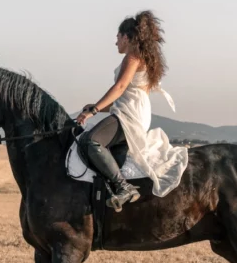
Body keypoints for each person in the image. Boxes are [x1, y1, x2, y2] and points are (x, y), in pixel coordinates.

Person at [74, 11, 189, 211]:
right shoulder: (140, 57)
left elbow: (119, 88)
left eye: (118, 37)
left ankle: (123, 187)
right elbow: (125, 93)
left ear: (127, 38)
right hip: (133, 110)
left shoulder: (132, 57)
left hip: (129, 114)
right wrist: (98, 107)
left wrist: (93, 110)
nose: (116, 42)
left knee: (91, 140)